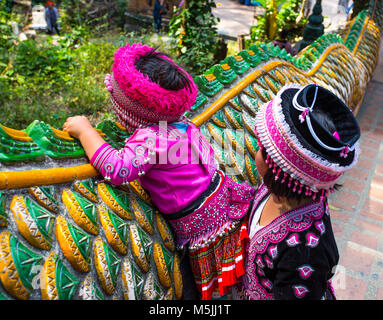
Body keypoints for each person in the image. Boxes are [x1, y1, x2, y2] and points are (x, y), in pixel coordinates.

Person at [62, 43, 255, 300]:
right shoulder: (179, 124)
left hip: (205, 223)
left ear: (132, 109)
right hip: (220, 196)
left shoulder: (153, 139)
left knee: (219, 292)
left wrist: (85, 130)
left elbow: (118, 169)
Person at [233, 83, 360, 300]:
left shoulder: (306, 253)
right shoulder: (284, 188)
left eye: (263, 149)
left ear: (278, 169)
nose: (256, 150)